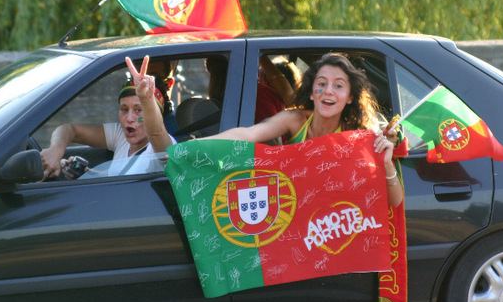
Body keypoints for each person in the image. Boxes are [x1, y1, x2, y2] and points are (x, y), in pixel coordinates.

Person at [205, 52, 403, 207]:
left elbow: (395, 201)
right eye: (322, 83)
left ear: (350, 97)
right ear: (311, 93)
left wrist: (386, 163)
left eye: (339, 85)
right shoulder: (295, 120)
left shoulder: (359, 136)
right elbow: (246, 134)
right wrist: (191, 146)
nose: (328, 91)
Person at [40, 56, 175, 179]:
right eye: (124, 109)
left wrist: (146, 99)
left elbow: (156, 132)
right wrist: (56, 151)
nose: (129, 118)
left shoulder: (161, 146)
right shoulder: (120, 135)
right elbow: (69, 130)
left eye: (139, 110)